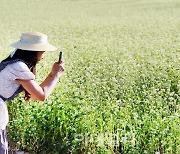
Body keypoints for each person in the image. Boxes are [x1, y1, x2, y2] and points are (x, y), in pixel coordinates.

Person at [0, 32, 65, 153]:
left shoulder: (14, 63)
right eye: (43, 51)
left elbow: (34, 94)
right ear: (34, 51)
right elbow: (41, 96)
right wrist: (55, 75)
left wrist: (53, 74)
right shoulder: (18, 67)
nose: (44, 54)